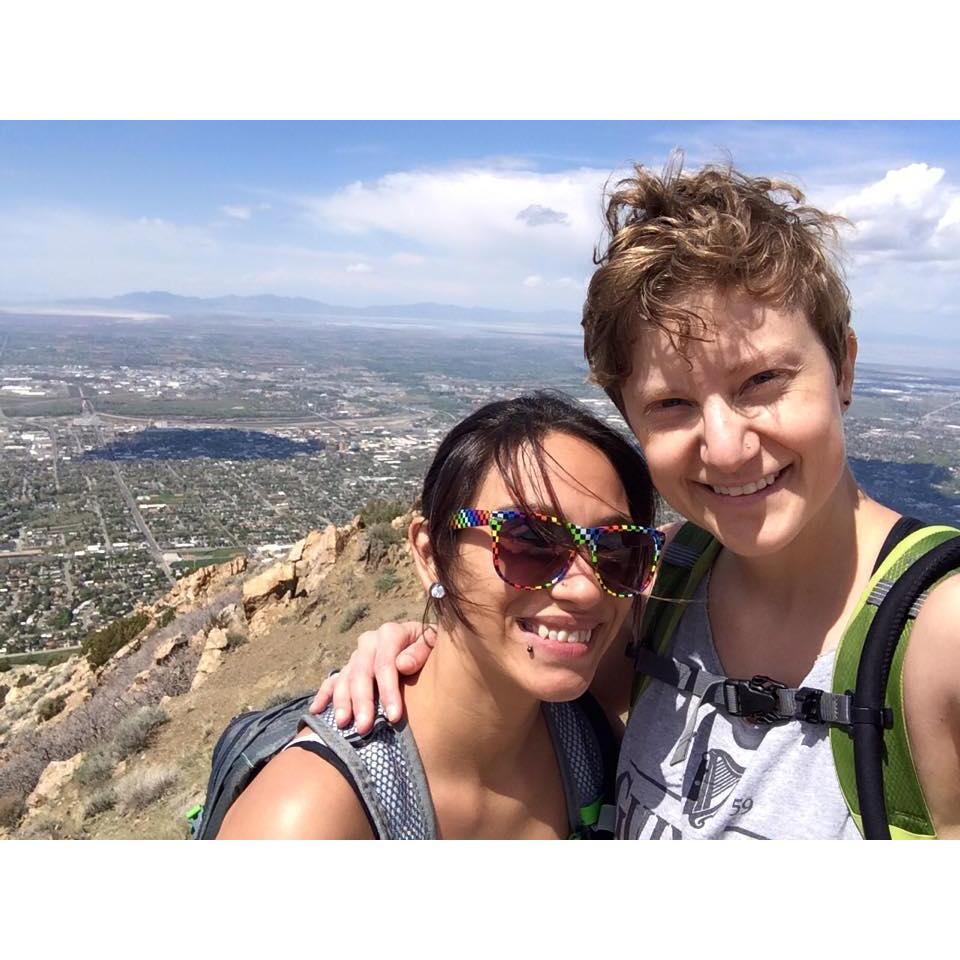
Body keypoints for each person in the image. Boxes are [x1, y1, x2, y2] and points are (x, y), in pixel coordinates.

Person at [312, 157, 960, 839]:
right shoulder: (659, 583)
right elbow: (527, 657)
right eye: (672, 402)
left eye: (763, 380)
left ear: (844, 367)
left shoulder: (936, 636)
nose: (727, 445)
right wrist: (417, 651)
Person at [216, 392, 660, 839]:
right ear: (430, 554)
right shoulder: (310, 814)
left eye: (617, 549)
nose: (586, 588)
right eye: (531, 541)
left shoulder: (590, 737)